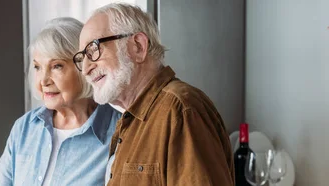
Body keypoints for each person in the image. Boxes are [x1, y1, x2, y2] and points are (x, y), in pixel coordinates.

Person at [74, 3, 234, 186]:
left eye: (93, 50)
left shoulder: (180, 110)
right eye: (82, 58)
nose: (85, 69)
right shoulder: (130, 120)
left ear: (138, 47)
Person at [0, 17, 121, 186]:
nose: (43, 80)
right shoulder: (24, 128)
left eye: (56, 66)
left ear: (85, 66)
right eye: (37, 67)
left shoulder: (120, 132)